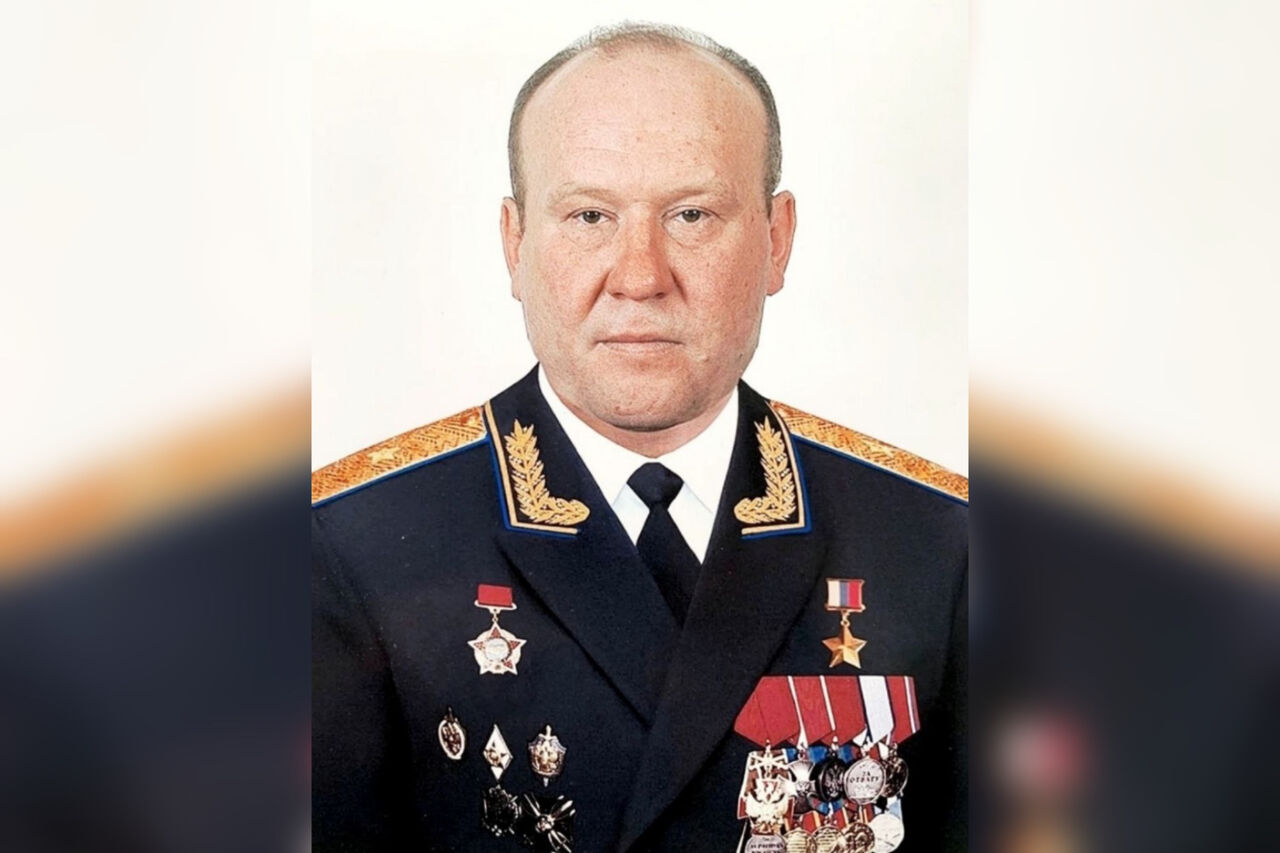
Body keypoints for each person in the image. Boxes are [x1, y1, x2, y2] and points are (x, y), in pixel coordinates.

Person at [312, 22, 967, 853]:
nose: (640, 276)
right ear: (515, 244)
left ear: (778, 239)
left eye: (692, 214)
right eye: (589, 215)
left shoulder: (936, 545)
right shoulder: (349, 549)